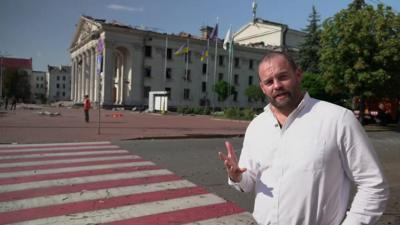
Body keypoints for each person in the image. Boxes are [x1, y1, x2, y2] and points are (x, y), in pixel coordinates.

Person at [219, 52, 388, 225]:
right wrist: (236, 177)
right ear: (263, 88)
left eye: (282, 77)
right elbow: (248, 184)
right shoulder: (256, 126)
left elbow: (373, 184)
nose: (276, 86)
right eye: (269, 82)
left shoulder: (338, 119)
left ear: (298, 75)